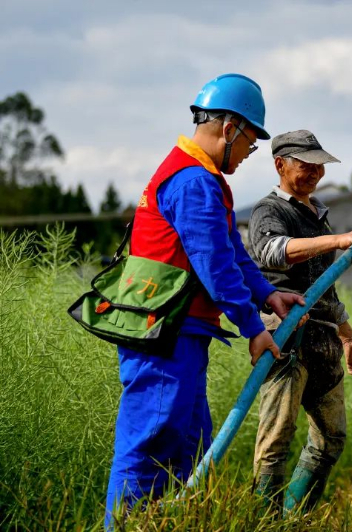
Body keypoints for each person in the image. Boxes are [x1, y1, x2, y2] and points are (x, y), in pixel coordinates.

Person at [104, 74, 305, 529]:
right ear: (230, 128)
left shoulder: (203, 178)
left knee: (189, 445)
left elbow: (231, 251)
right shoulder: (193, 180)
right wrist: (253, 329)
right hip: (162, 333)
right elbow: (214, 266)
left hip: (182, 333)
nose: (249, 152)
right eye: (250, 141)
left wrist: (268, 294)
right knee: (151, 443)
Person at [248, 129, 352, 513]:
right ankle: (264, 521)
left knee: (331, 438)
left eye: (319, 165)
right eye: (306, 165)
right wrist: (339, 241)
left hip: (324, 341)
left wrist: (348, 338)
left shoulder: (319, 217)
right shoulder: (269, 210)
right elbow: (273, 252)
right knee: (277, 439)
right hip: (287, 338)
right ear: (280, 165)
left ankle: (294, 516)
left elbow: (326, 290)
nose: (316, 173)